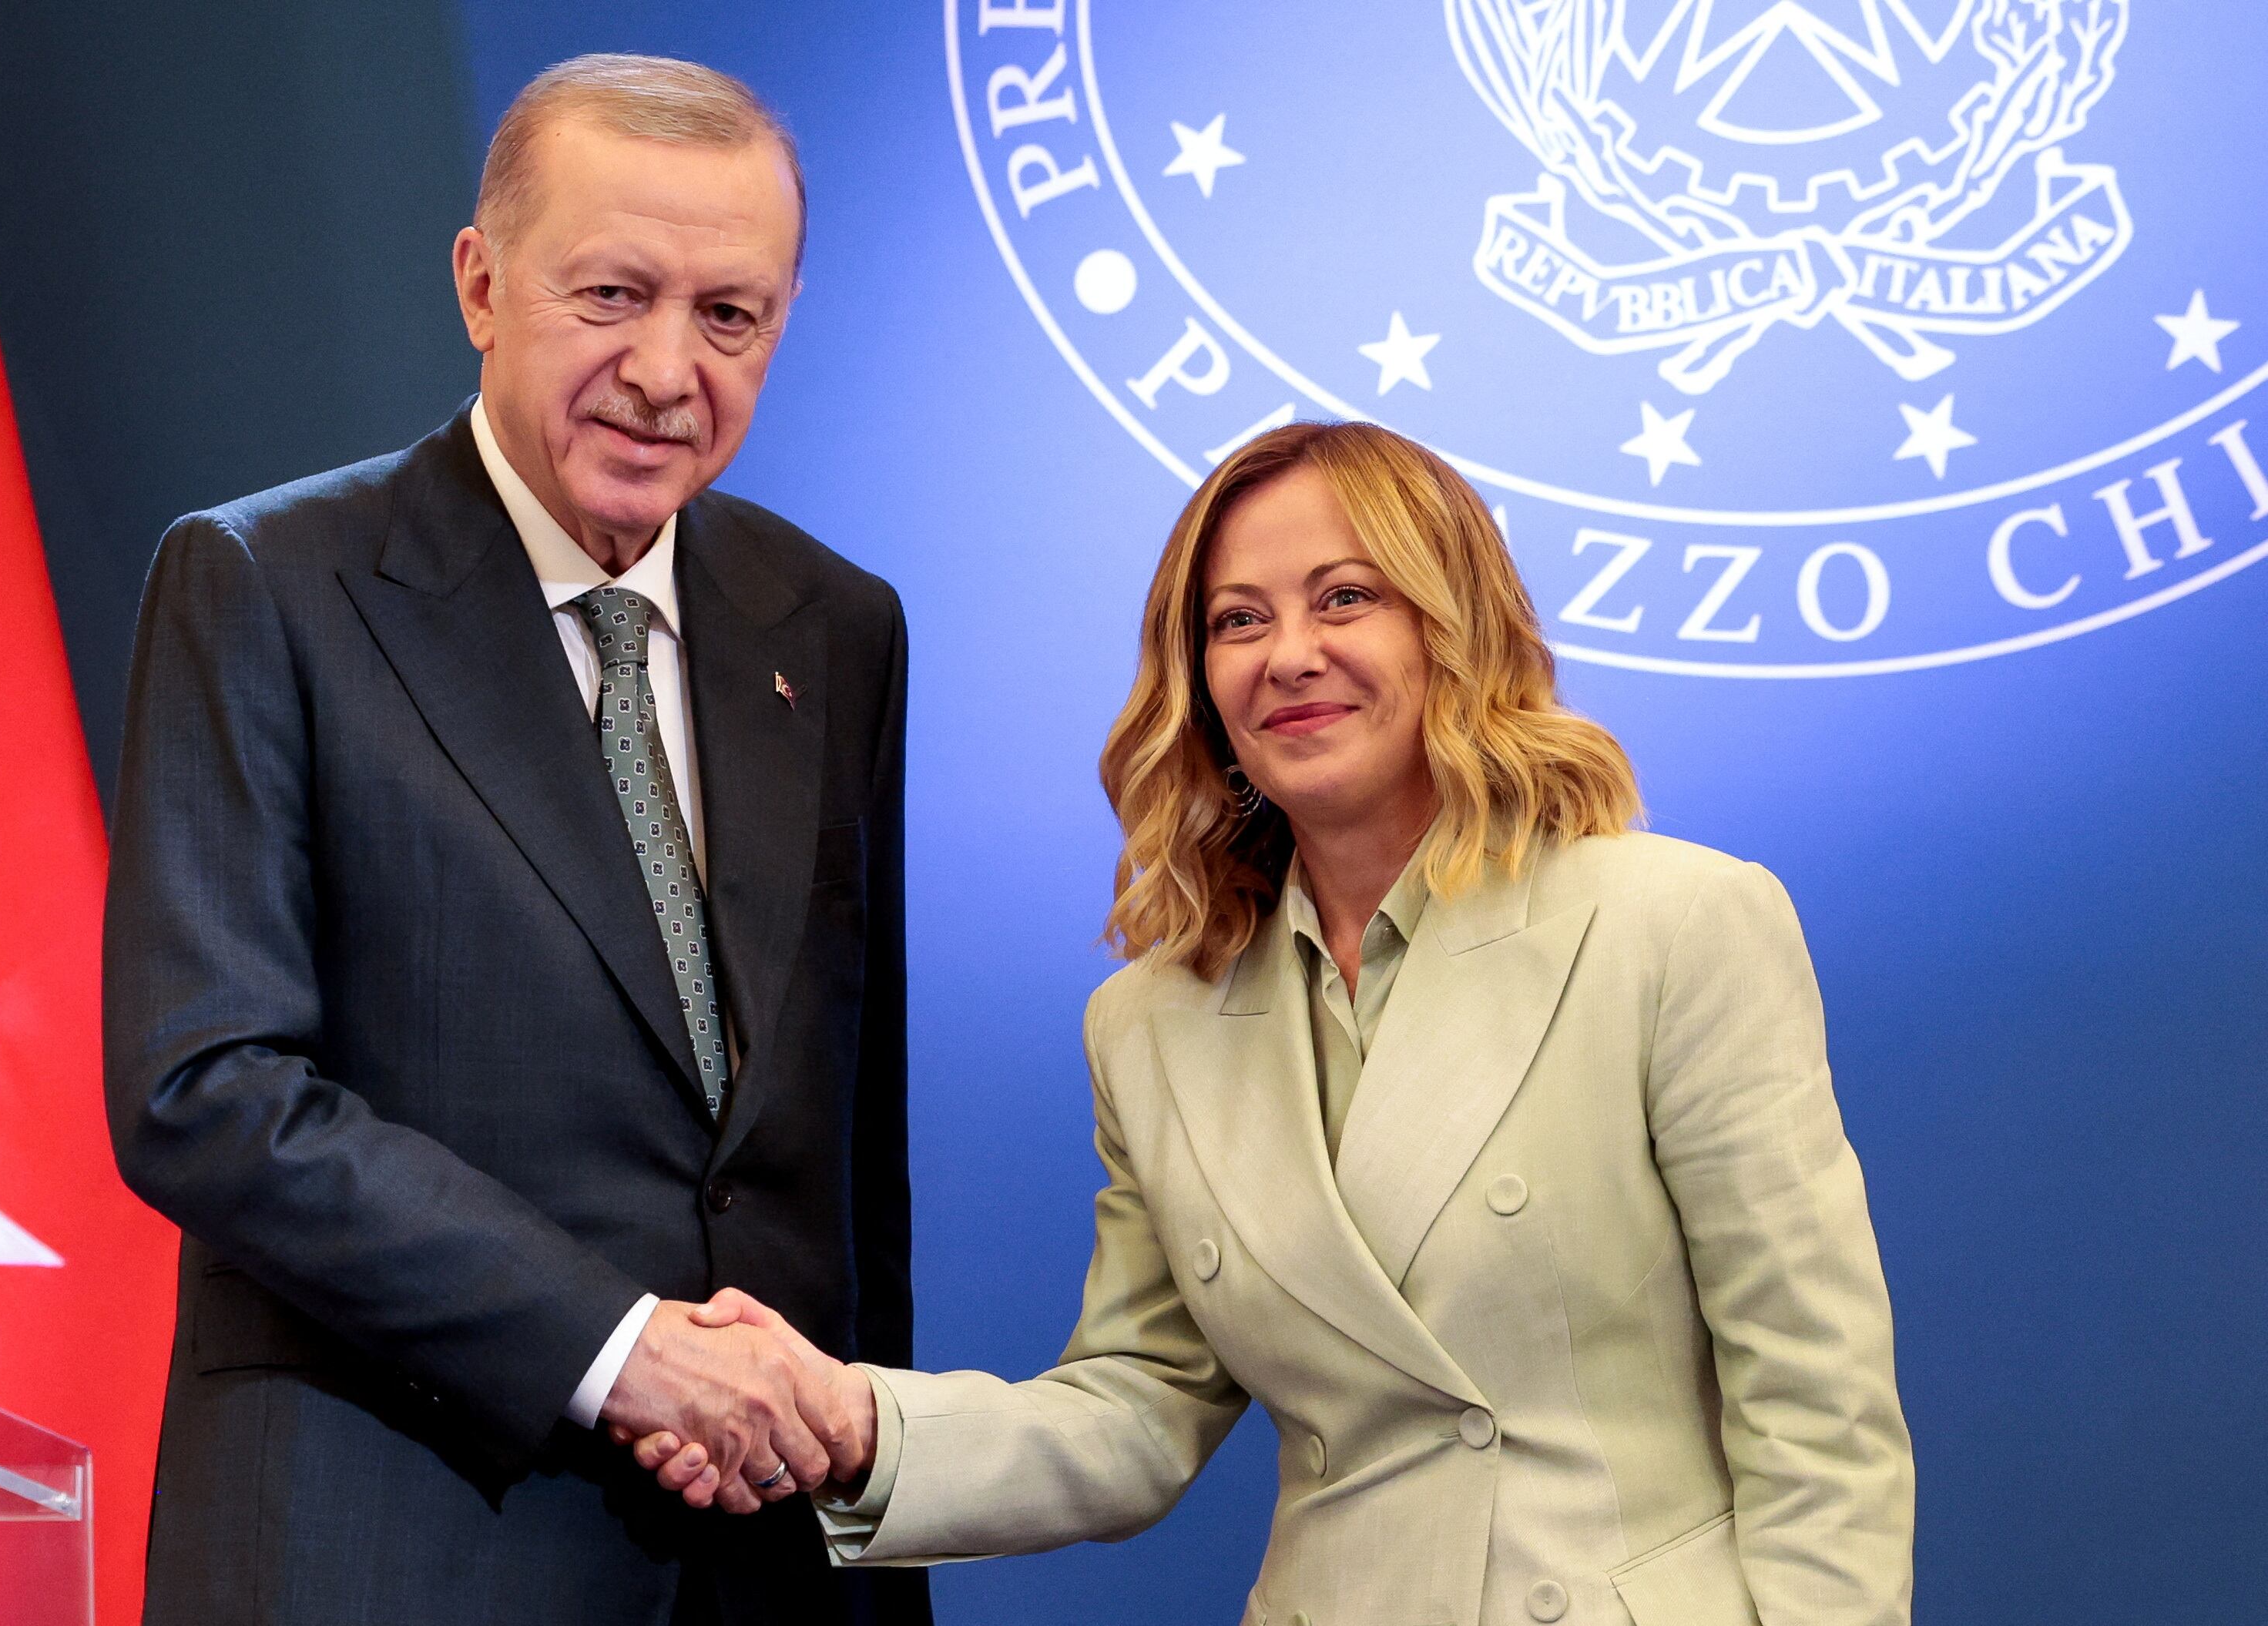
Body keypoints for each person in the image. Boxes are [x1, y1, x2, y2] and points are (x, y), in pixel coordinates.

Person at [641, 421, 1914, 1624]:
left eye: (1345, 598)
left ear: (1454, 626)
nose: (1288, 654)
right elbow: (1141, 1409)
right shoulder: (1151, 1023)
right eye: (1236, 620)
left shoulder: (1672, 925)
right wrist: (855, 1423)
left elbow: (1819, 1412)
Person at [102, 55, 925, 1626]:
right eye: (610, 294)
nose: (665, 371)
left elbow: (837, 1161)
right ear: (481, 285)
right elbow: (207, 1090)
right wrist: (619, 1351)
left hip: (760, 1565)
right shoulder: (267, 585)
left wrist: (870, 1541)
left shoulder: (832, 625)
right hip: (395, 1547)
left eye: (729, 315)